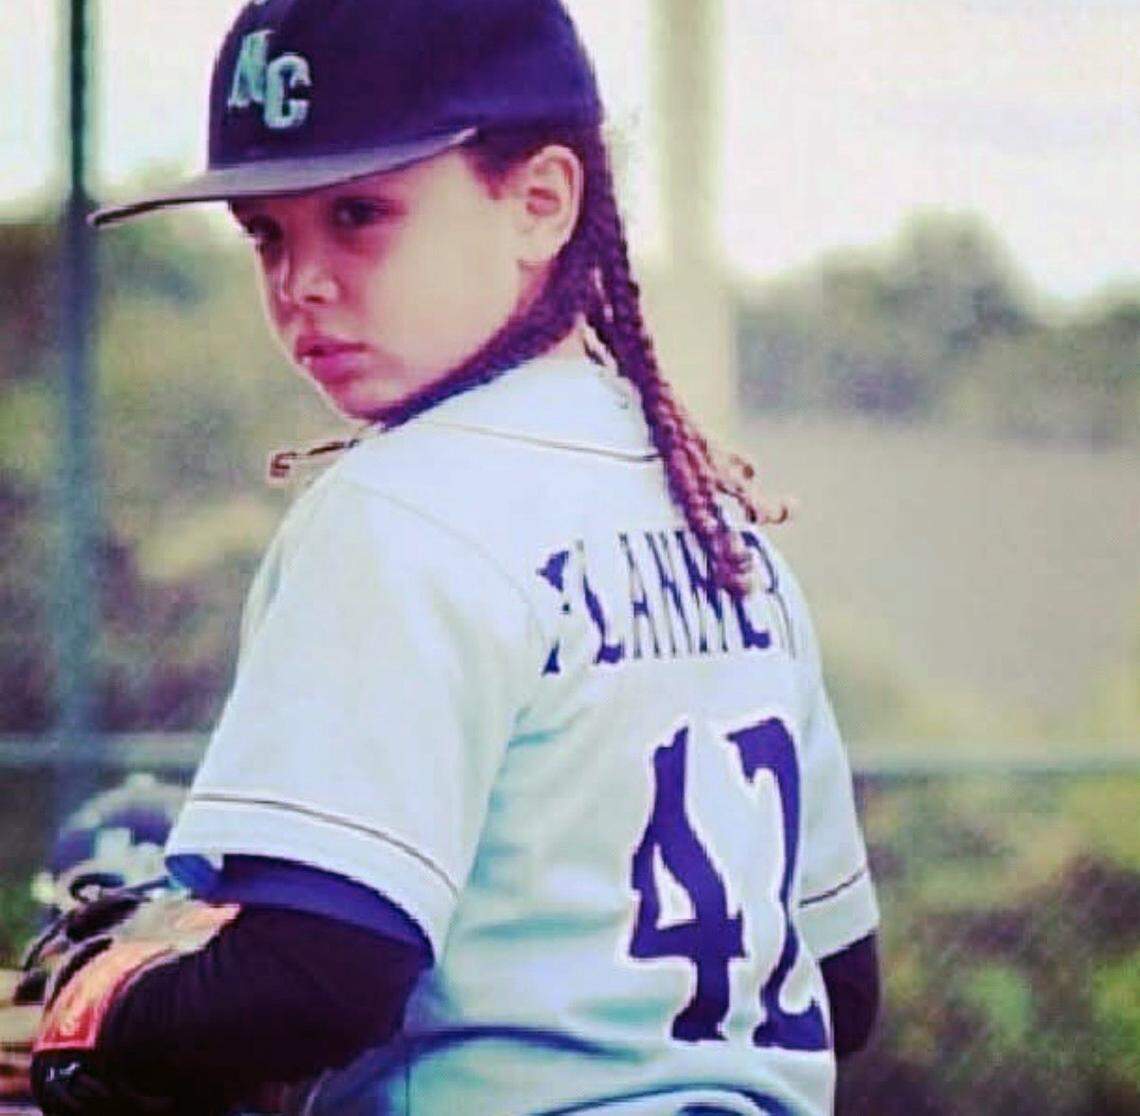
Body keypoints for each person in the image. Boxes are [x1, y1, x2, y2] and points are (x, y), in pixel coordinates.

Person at [31, 1, 880, 1113]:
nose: (302, 281)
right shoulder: (714, 516)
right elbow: (841, 986)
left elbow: (312, 984)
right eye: (267, 234)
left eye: (359, 212)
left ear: (540, 202)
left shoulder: (399, 510)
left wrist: (96, 1009)